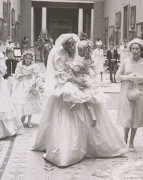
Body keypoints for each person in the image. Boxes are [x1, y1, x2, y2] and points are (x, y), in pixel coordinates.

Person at [33, 34, 126, 167]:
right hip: (68, 82)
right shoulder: (60, 57)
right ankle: (68, 146)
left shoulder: (79, 55)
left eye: (74, 45)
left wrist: (85, 77)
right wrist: (77, 81)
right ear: (65, 46)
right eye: (70, 45)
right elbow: (63, 74)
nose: (73, 47)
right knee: (69, 96)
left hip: (81, 80)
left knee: (91, 98)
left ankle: (91, 139)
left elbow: (87, 68)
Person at [116, 38, 143, 152]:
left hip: (140, 91)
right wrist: (127, 77)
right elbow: (117, 76)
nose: (134, 51)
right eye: (132, 48)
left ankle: (131, 141)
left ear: (141, 50)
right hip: (126, 90)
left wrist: (141, 78)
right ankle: (124, 138)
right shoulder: (125, 62)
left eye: (137, 49)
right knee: (127, 115)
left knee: (136, 116)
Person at [11, 51, 43, 128]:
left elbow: (37, 75)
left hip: (30, 84)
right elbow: (17, 75)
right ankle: (21, 118)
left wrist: (37, 83)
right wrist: (25, 75)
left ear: (31, 59)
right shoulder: (20, 65)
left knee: (30, 102)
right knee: (22, 102)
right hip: (21, 84)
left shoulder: (34, 66)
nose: (28, 60)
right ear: (24, 58)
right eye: (26, 58)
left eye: (29, 58)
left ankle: (29, 121)